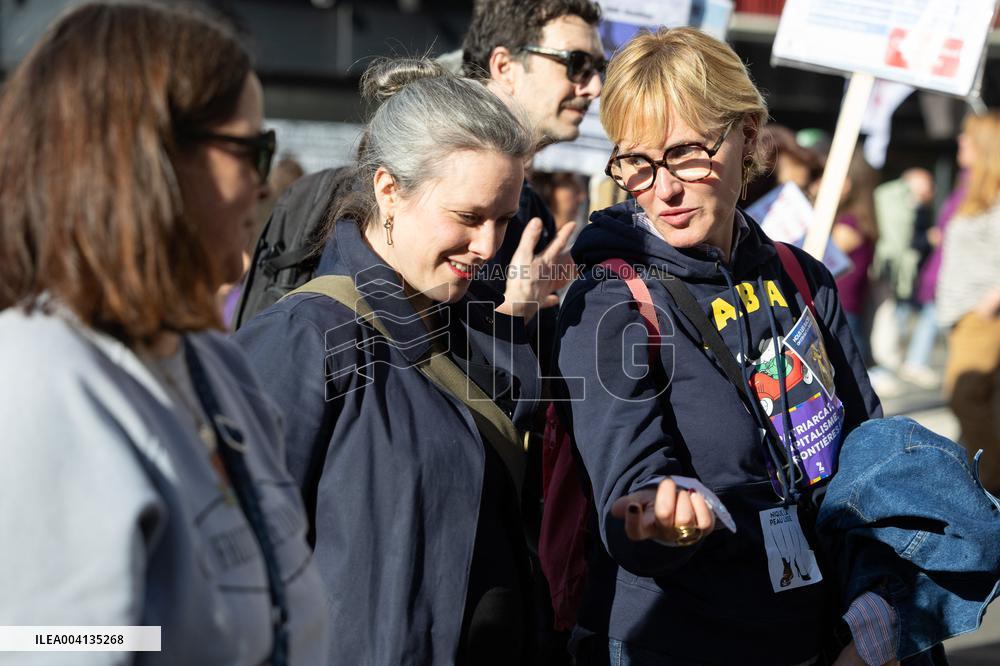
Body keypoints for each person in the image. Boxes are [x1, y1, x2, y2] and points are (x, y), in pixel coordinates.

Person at [0, 3, 327, 664]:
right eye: (251, 150)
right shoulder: (38, 382)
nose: (266, 185)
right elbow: (54, 642)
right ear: (147, 163)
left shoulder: (213, 363)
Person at [554, 28, 885, 665]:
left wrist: (872, 615)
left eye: (685, 154)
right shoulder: (609, 300)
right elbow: (628, 491)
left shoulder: (800, 275)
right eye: (638, 164)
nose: (664, 189)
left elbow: (868, 455)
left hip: (815, 635)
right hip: (678, 642)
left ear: (750, 137)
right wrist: (661, 521)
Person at [235, 57, 572, 665]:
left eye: (503, 219)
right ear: (390, 191)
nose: (489, 246)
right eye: (468, 217)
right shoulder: (302, 338)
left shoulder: (475, 325)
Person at [937, 111, 1000, 497]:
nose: (959, 143)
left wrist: (991, 300)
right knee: (978, 409)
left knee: (965, 397)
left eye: (966, 138)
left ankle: (988, 489)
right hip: (964, 315)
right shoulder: (976, 192)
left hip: (982, 318)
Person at [830, 149, 880, 362]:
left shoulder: (848, 225)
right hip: (848, 308)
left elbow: (817, 256)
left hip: (843, 309)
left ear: (847, 184)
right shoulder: (860, 221)